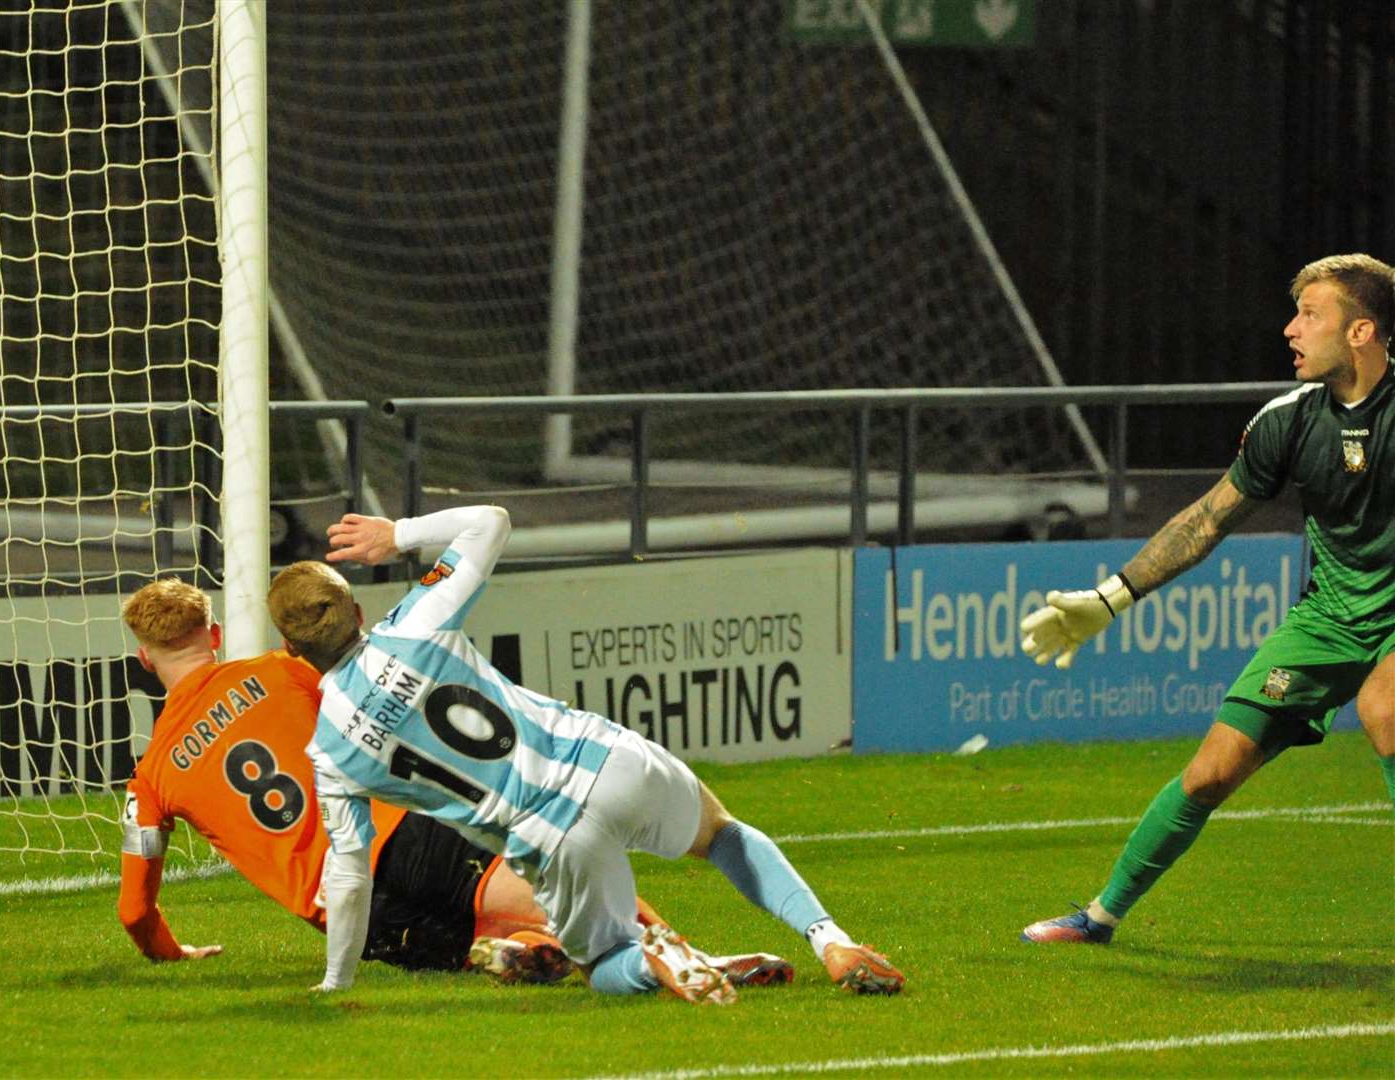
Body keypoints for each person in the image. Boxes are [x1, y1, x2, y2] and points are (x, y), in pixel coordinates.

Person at [268, 505, 904, 1003]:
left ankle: (657, 960)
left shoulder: (331, 752)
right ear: (355, 608)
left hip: (549, 836)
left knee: (597, 966)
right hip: (605, 757)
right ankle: (832, 941)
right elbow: (491, 521)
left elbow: (349, 876)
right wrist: (396, 533)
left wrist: (337, 981)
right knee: (721, 834)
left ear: (293, 651)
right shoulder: (416, 620)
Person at [116, 578, 790, 989]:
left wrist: (173, 954)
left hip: (351, 918)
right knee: (563, 877)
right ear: (213, 632)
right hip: (400, 837)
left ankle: (511, 953)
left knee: (495, 935)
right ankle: (689, 958)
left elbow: (135, 913)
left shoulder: (150, 778)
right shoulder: (278, 670)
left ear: (145, 660)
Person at [1018, 253, 1395, 944]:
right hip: (1331, 617)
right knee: (1208, 774)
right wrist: (1109, 600)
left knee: (1385, 708)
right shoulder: (1289, 421)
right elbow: (1207, 519)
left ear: (1362, 332)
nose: (1290, 329)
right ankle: (1099, 918)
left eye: (1311, 315)